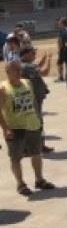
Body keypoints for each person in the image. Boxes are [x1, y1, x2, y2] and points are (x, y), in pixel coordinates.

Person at [0, 61, 55, 195]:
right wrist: (5, 128)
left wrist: (38, 119)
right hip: (15, 127)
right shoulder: (3, 88)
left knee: (36, 154)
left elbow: (34, 102)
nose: (18, 72)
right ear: (7, 73)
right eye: (15, 70)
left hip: (32, 125)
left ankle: (39, 179)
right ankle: (21, 184)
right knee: (16, 158)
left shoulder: (27, 83)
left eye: (19, 69)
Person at [19, 45, 54, 154]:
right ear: (25, 55)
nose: (34, 54)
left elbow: (37, 66)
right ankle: (39, 146)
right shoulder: (27, 66)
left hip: (30, 98)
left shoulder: (24, 65)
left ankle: (27, 147)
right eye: (32, 53)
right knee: (37, 122)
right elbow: (44, 72)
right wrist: (48, 59)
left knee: (30, 122)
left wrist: (43, 58)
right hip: (33, 99)